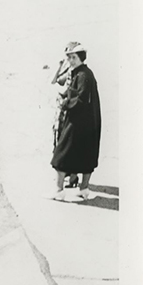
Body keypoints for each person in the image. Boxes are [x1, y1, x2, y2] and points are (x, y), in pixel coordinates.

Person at [50, 42, 102, 201]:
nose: (71, 61)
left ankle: (59, 191)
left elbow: (80, 99)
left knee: (61, 154)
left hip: (78, 121)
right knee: (87, 154)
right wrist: (65, 95)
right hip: (87, 122)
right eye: (69, 57)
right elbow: (74, 92)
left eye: (73, 57)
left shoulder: (83, 75)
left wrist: (64, 103)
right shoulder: (81, 73)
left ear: (81, 58)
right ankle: (83, 189)